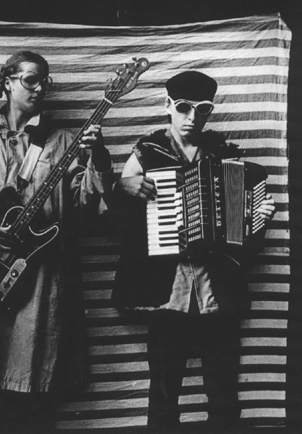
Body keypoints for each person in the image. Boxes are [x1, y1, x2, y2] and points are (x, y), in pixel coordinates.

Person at [0, 50, 113, 433]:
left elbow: (87, 208)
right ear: (6, 83)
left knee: (39, 391)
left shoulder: (65, 141)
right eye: (30, 80)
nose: (39, 88)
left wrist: (98, 157)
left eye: (44, 81)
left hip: (44, 282)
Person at [112, 70, 276, 430]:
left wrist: (259, 218)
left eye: (202, 109)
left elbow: (244, 241)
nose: (191, 117)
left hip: (216, 291)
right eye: (183, 107)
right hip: (166, 292)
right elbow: (114, 222)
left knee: (223, 391)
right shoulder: (146, 154)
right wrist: (122, 188)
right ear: (167, 105)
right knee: (164, 392)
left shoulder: (225, 156)